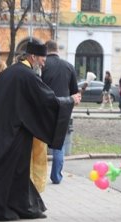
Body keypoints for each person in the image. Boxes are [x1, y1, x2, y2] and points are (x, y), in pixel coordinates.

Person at [0, 41, 81, 221]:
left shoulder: (9, 72)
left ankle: (24, 206)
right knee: (10, 171)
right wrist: (69, 100)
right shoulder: (28, 75)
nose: (44, 63)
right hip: (12, 134)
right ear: (32, 57)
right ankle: (2, 209)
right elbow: (48, 100)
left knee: (16, 171)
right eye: (42, 59)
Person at [42, 40, 79, 184]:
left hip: (45, 109)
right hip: (63, 110)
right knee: (59, 144)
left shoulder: (43, 65)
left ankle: (37, 176)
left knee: (40, 142)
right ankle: (56, 176)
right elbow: (75, 93)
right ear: (57, 49)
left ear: (46, 50)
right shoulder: (69, 66)